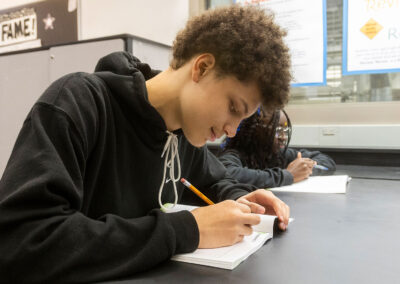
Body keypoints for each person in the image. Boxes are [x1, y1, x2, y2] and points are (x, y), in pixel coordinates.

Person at [0, 5, 292, 283]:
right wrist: (186, 230)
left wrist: (243, 198)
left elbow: (215, 182)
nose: (231, 130)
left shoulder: (184, 136)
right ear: (202, 68)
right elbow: (22, 242)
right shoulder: (79, 103)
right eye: (232, 107)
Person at [219, 109, 336, 189]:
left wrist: (305, 169)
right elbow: (228, 174)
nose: (283, 137)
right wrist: (287, 175)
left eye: (285, 131)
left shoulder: (278, 154)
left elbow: (327, 161)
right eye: (277, 130)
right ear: (254, 131)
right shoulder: (233, 153)